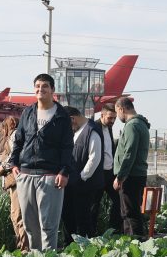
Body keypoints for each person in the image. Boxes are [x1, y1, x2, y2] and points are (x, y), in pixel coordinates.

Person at [9, 73, 74, 250]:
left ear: (53, 90)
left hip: (50, 176)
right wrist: (13, 164)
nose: (40, 89)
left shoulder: (61, 116)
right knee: (30, 227)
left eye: (45, 86)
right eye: (37, 86)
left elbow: (67, 147)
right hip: (26, 174)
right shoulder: (28, 113)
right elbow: (19, 140)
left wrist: (64, 171)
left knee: (48, 226)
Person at [61, 107, 104, 240]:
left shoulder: (92, 130)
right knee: (69, 218)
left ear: (72, 119)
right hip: (73, 184)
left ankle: (85, 249)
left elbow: (94, 158)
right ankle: (70, 247)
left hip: (84, 186)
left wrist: (81, 177)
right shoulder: (78, 130)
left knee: (83, 220)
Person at [112, 96, 150, 237]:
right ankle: (137, 242)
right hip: (138, 174)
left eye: (117, 112)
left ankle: (135, 245)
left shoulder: (131, 125)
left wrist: (120, 176)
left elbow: (129, 153)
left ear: (122, 109)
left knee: (129, 213)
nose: (117, 116)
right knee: (133, 212)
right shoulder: (141, 124)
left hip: (130, 176)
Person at [0, 116, 29, 252]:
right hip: (15, 181)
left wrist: (2, 167)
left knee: (17, 216)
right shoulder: (19, 135)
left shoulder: (15, 135)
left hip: (17, 181)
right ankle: (22, 247)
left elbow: (15, 155)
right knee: (15, 216)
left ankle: (24, 249)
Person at [96, 103, 123, 234]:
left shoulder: (109, 128)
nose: (112, 121)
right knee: (94, 205)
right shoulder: (94, 127)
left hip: (110, 173)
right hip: (98, 174)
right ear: (102, 115)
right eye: (110, 118)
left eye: (114, 118)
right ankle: (91, 234)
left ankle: (113, 230)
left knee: (119, 200)